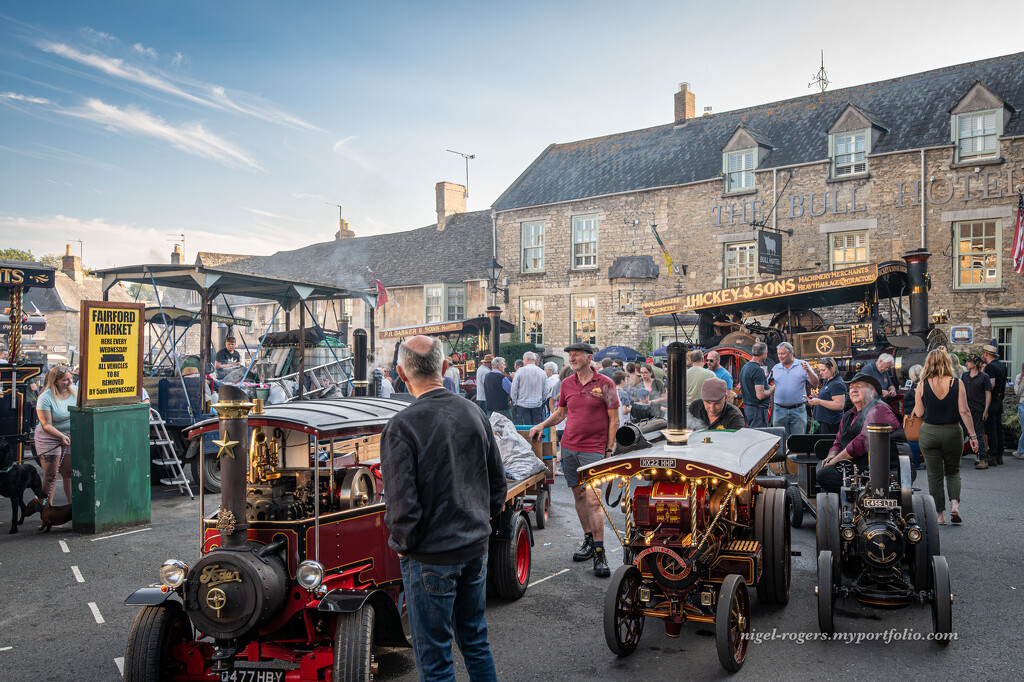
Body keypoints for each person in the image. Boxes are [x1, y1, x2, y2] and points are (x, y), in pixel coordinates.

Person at [380, 335, 505, 682]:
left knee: (434, 657)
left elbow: (401, 504)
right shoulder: (474, 411)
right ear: (445, 367)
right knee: (475, 641)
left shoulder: (401, 425)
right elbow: (498, 482)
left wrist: (406, 547)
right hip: (473, 546)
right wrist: (483, 522)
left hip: (431, 555)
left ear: (401, 374)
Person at [529, 343, 618, 577]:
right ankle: (588, 540)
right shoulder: (567, 384)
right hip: (570, 448)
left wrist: (609, 450)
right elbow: (561, 413)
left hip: (595, 450)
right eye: (570, 355)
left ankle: (600, 553)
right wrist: (541, 425)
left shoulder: (605, 384)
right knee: (579, 494)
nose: (572, 358)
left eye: (576, 355)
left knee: (594, 500)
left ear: (589, 358)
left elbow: (614, 419)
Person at [913, 348, 978, 525]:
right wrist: (973, 436)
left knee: (934, 475)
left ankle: (940, 515)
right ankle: (954, 505)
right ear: (946, 362)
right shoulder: (957, 383)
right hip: (952, 431)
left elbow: (918, 413)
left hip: (929, 432)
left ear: (928, 363)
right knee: (953, 470)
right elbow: (964, 411)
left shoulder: (922, 384)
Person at [817, 373, 903, 494]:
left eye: (859, 386)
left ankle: (856, 503)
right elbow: (838, 442)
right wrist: (832, 455)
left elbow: (862, 442)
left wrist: (835, 460)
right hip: (859, 466)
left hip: (884, 468)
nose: (854, 390)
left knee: (825, 475)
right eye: (851, 387)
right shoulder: (848, 415)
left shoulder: (880, 409)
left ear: (872, 392)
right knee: (821, 467)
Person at [34, 365, 76, 505]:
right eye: (65, 380)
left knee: (68, 473)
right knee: (51, 475)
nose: (70, 382)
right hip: (49, 436)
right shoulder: (45, 397)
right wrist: (61, 436)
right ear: (55, 381)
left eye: (70, 378)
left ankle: (72, 509)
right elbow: (46, 424)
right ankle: (46, 508)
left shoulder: (76, 391)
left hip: (69, 434)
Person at [770, 341, 819, 443]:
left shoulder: (802, 365)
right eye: (779, 354)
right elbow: (768, 384)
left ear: (791, 353)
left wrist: (808, 371)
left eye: (783, 353)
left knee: (798, 441)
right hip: (779, 410)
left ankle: (795, 458)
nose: (780, 356)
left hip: (798, 410)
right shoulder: (775, 368)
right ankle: (784, 459)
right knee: (780, 441)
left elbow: (815, 383)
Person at [960, 353, 991, 470]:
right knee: (961, 434)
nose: (966, 363)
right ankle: (955, 459)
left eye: (968, 361)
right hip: (965, 409)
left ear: (974, 364)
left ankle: (983, 460)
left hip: (978, 410)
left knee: (978, 434)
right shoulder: (964, 376)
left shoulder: (984, 377)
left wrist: (986, 410)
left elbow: (988, 394)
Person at [980, 344, 1006, 465]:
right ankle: (999, 454)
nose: (981, 356)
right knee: (999, 428)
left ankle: (993, 455)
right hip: (999, 400)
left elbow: (991, 384)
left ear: (986, 354)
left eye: (982, 354)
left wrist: (983, 372)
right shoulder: (1002, 365)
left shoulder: (990, 367)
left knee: (991, 429)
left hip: (991, 401)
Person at [808, 357, 846, 434]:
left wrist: (819, 401)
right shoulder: (828, 380)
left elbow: (839, 405)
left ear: (831, 369)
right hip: (825, 422)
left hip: (831, 424)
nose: (820, 373)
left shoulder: (836, 384)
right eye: (820, 370)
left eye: (823, 370)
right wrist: (818, 396)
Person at [739, 342, 774, 427]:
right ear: (763, 354)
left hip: (749, 408)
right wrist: (772, 389)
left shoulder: (745, 367)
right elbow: (760, 395)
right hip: (758, 411)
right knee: (760, 437)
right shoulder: (757, 370)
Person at [509, 352, 547, 425]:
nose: (523, 362)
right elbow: (545, 390)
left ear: (527, 359)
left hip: (522, 404)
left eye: (523, 359)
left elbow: (514, 389)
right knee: (537, 428)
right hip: (537, 404)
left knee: (525, 429)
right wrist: (541, 400)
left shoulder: (520, 371)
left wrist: (515, 401)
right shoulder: (542, 372)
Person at [902, 364, 925, 470]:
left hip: (913, 418)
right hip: (922, 417)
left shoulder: (915, 388)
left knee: (913, 439)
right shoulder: (923, 385)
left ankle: (915, 463)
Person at [1013, 361, 1024, 459]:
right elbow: (1017, 392)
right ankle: (1020, 450)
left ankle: (1020, 450)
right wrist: (1023, 381)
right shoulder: (1019, 377)